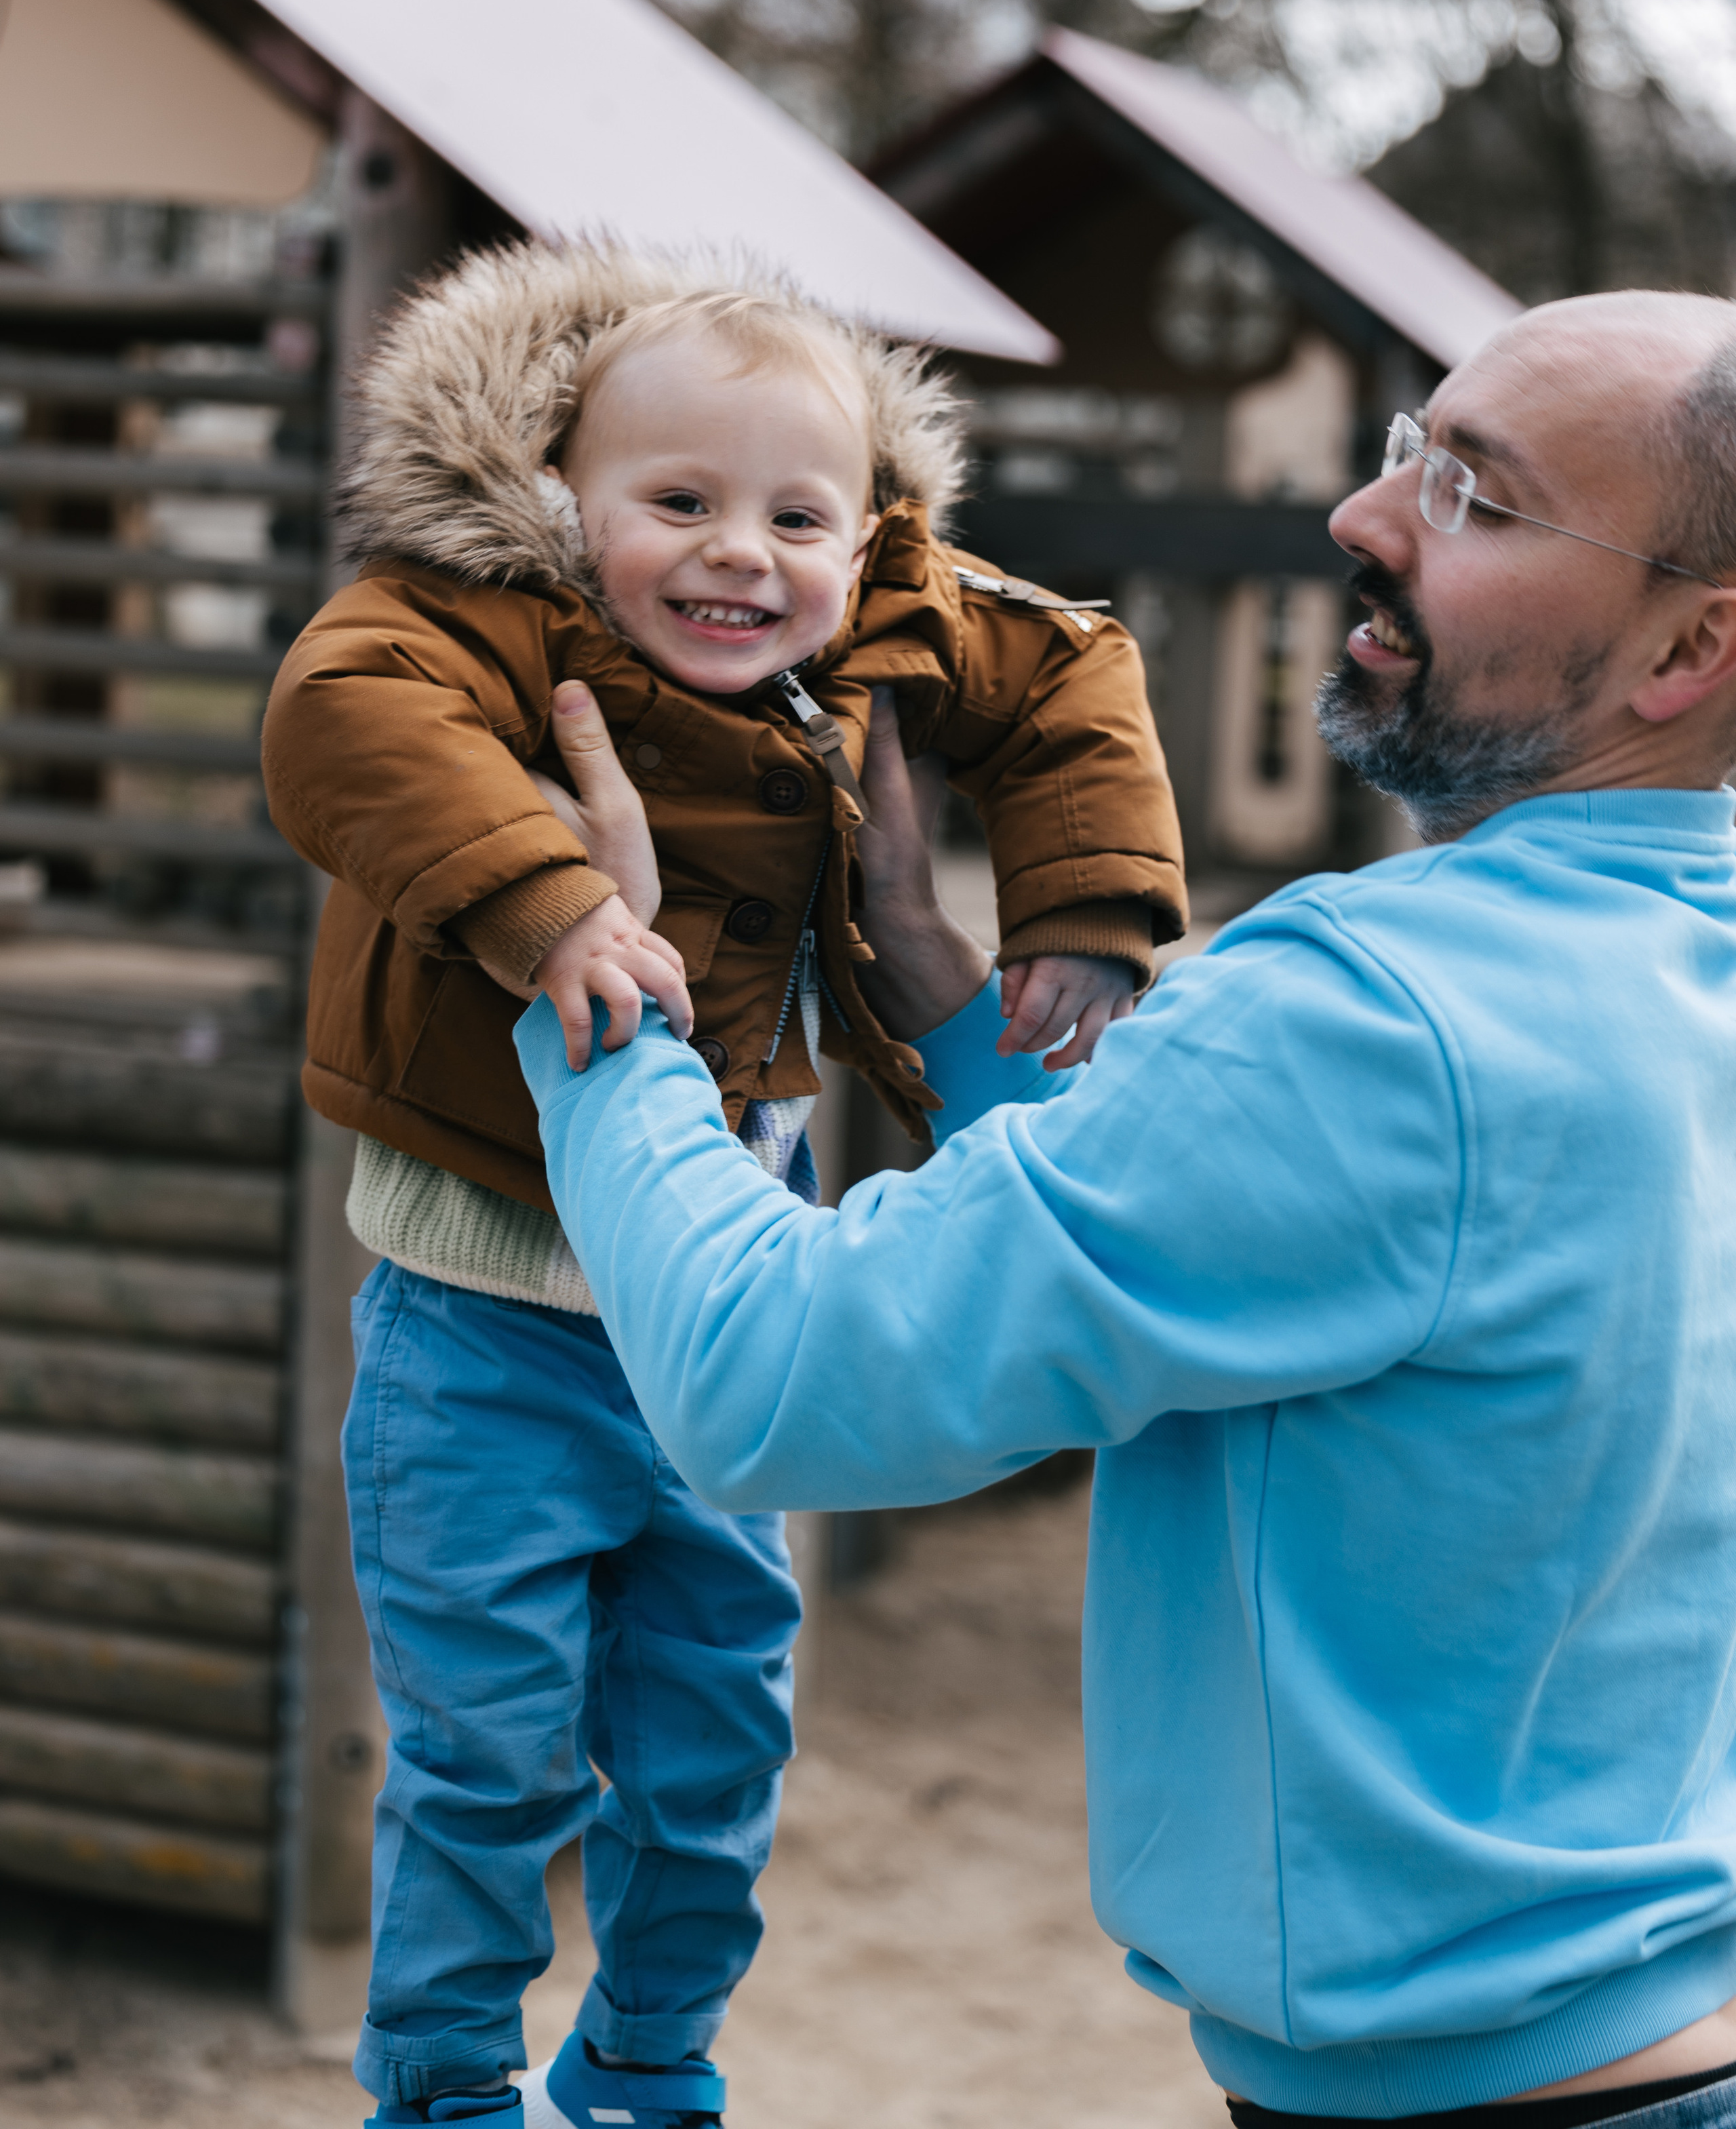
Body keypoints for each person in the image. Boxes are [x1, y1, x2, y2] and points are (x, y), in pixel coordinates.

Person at [515, 290, 1736, 2128]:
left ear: (1691, 646)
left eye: (1477, 497)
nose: (1365, 514)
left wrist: (596, 991)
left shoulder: (1366, 1012)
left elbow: (776, 1383)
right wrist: (937, 975)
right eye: (1413, 445)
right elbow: (1309, 1230)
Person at [260, 237, 1183, 2128]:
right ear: (560, 504)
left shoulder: (890, 612)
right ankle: (440, 2078)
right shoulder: (471, 615)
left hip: (726, 1315)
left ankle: (652, 2057)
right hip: (482, 1326)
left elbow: (1080, 668)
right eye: (674, 504)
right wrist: (556, 899)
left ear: (866, 536)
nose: (739, 555)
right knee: (489, 1754)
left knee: (714, 1751)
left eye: (795, 515)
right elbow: (341, 714)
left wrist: (1081, 904)